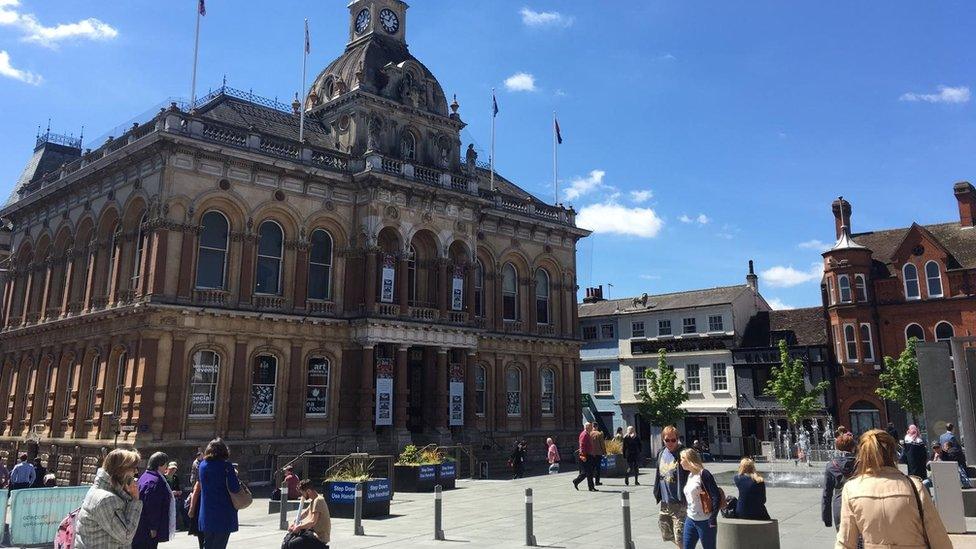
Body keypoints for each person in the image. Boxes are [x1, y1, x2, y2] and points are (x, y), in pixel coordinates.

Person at [835, 429, 952, 549]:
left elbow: (845, 542)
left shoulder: (852, 489)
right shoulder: (914, 486)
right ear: (893, 454)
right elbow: (938, 537)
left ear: (862, 455)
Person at [74, 448, 143, 549]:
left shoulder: (102, 491)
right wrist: (135, 501)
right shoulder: (106, 499)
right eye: (133, 468)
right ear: (121, 470)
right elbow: (126, 536)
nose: (136, 471)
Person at [190, 438, 242, 549]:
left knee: (207, 544)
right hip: (223, 513)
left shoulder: (202, 466)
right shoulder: (226, 466)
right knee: (220, 545)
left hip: (206, 513)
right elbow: (235, 488)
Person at [653, 425, 688, 549]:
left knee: (679, 535)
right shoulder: (661, 453)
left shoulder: (683, 453)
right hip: (665, 501)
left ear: (677, 439)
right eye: (667, 440)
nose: (670, 443)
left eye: (673, 440)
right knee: (666, 533)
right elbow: (658, 473)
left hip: (680, 502)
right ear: (663, 439)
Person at [680, 448, 721, 549]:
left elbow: (716, 496)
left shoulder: (704, 474)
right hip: (690, 518)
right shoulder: (690, 475)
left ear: (689, 460)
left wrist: (713, 518)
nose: (680, 462)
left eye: (682, 459)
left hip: (705, 521)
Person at [134, 452, 176, 549]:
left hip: (141, 525)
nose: (166, 467)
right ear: (160, 464)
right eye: (165, 464)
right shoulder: (155, 481)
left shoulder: (145, 476)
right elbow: (152, 506)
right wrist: (153, 527)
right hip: (146, 528)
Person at [822, 433, 857, 530]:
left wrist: (826, 518)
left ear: (837, 448)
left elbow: (827, 493)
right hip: (860, 503)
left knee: (843, 538)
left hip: (840, 505)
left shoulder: (831, 465)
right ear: (854, 447)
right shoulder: (862, 463)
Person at [284, 479, 331, 548]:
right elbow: (305, 513)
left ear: (308, 491)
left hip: (319, 536)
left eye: (302, 493)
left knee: (293, 544)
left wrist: (299, 527)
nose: (302, 495)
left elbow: (312, 521)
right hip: (312, 533)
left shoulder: (318, 500)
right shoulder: (314, 500)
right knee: (287, 542)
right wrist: (294, 523)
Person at [572, 422, 596, 491]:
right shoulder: (584, 434)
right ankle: (576, 481)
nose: (592, 427)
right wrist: (582, 455)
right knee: (585, 472)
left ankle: (591, 487)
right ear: (587, 427)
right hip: (585, 455)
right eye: (590, 426)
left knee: (590, 472)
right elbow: (582, 445)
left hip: (589, 455)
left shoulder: (588, 433)